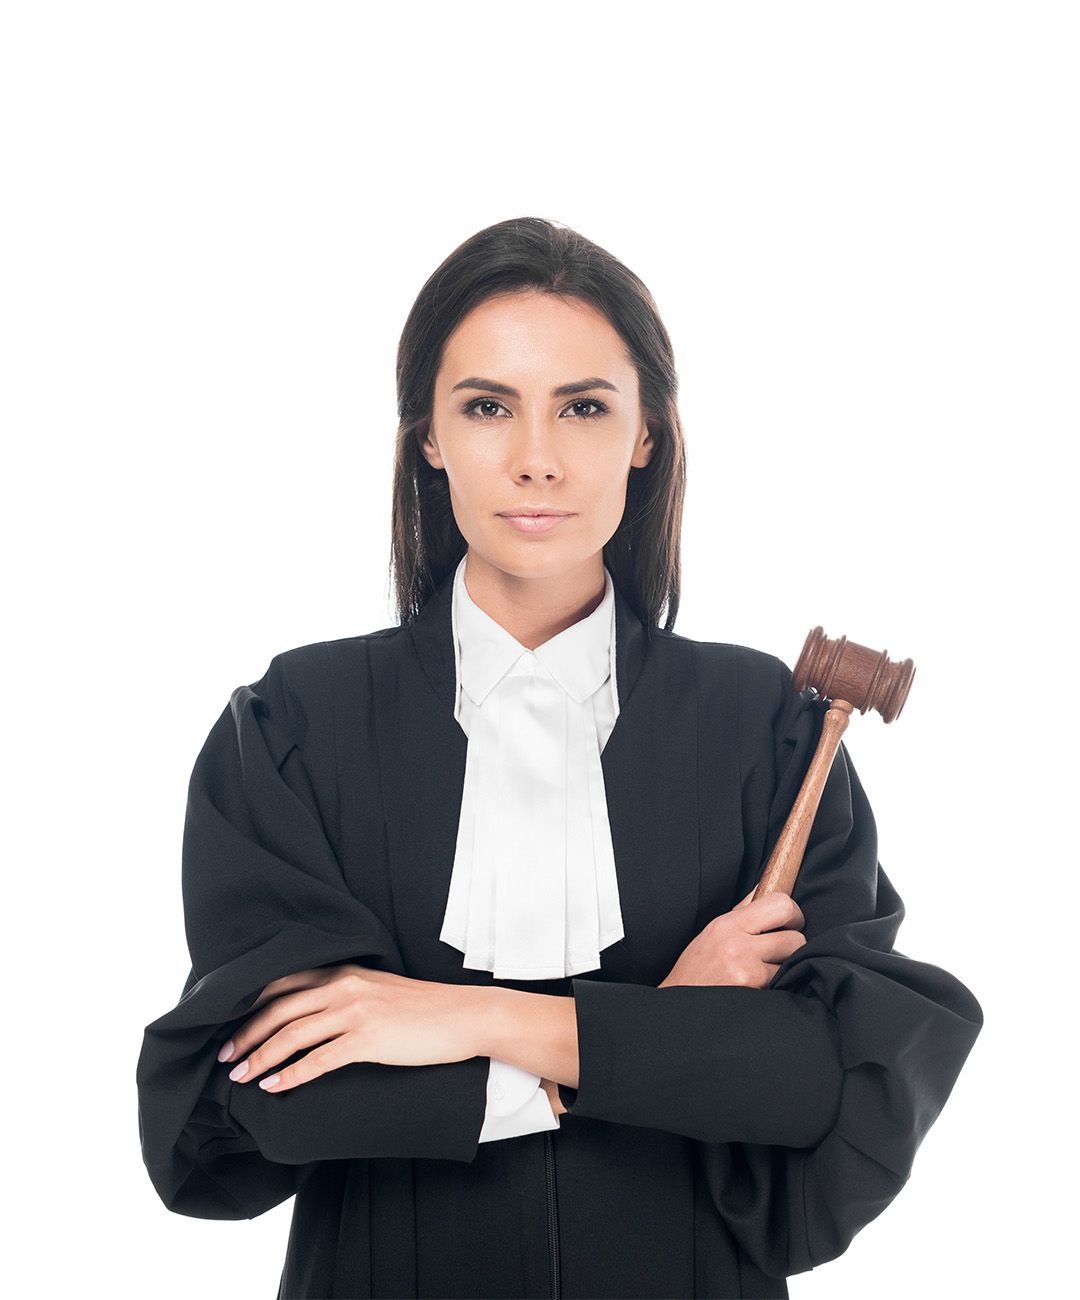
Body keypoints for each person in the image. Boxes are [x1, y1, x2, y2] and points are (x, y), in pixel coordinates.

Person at [136, 216, 984, 1300]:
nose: (536, 455)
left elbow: (817, 1078)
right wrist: (655, 1036)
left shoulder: (765, 725)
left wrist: (460, 1015)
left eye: (584, 406)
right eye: (487, 406)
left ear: (646, 434)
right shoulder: (297, 722)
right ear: (428, 437)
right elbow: (281, 1091)